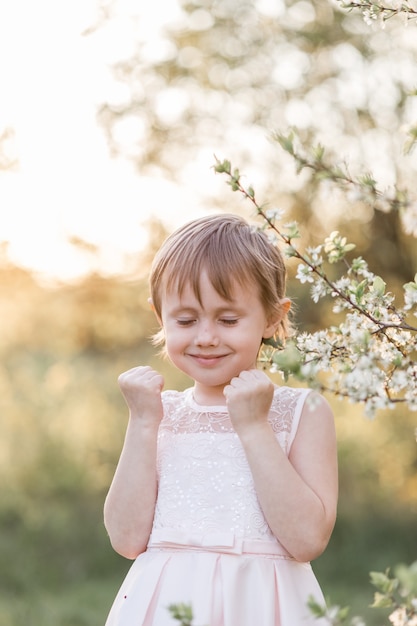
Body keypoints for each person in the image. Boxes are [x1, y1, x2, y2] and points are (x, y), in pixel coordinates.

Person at [104, 213, 338, 626]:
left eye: (228, 319)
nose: (206, 336)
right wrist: (142, 422)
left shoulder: (302, 411)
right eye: (186, 320)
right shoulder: (159, 413)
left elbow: (306, 540)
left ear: (272, 316)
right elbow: (126, 539)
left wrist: (253, 426)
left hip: (263, 606)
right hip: (165, 606)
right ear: (160, 317)